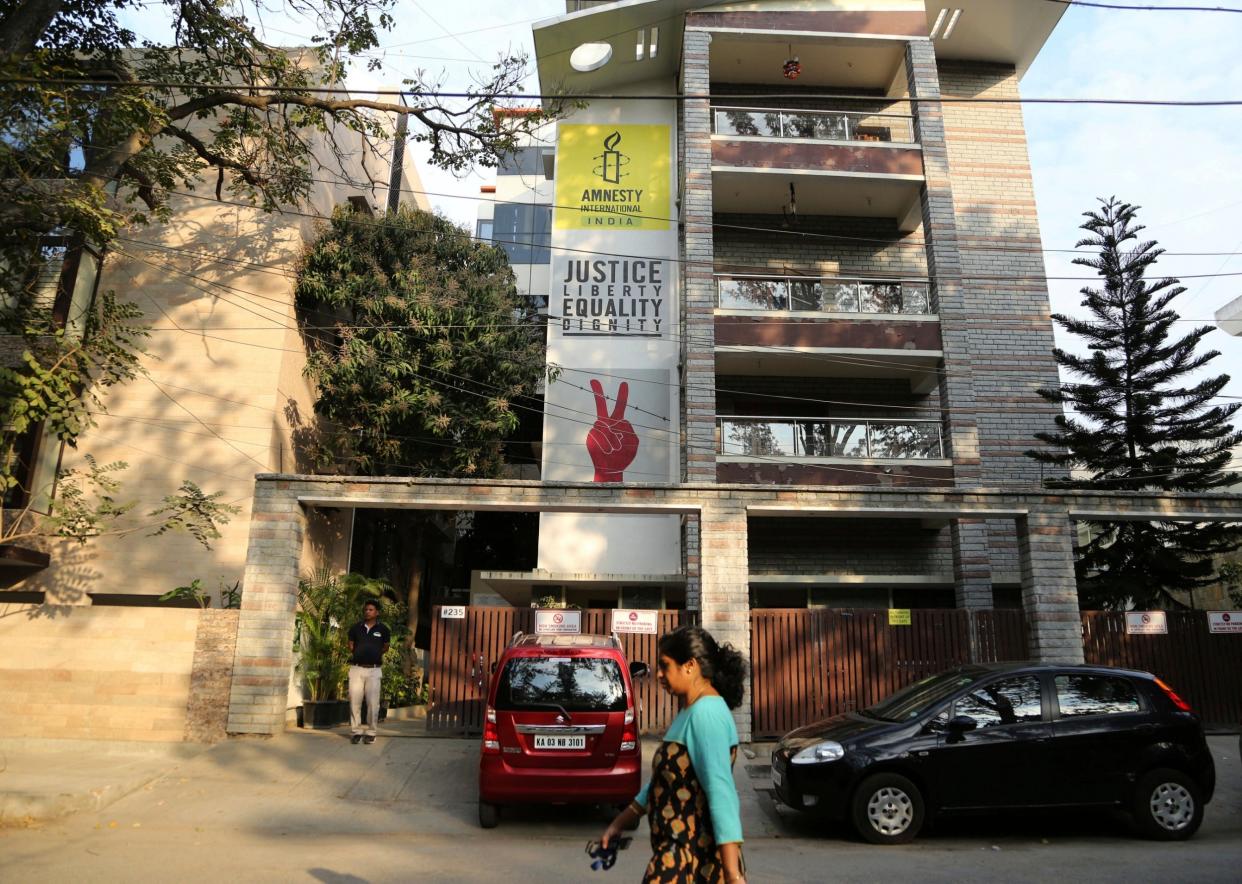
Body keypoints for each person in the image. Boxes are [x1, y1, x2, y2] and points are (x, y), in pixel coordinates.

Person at [600, 625, 748, 884]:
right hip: (676, 854)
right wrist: (620, 822)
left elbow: (721, 793)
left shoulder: (707, 715)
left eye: (665, 666)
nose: (658, 674)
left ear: (689, 666)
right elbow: (665, 778)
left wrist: (733, 874)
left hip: (693, 859)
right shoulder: (690, 711)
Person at [347, 600, 390, 745]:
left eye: (371, 610)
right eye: (366, 609)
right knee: (354, 702)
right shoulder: (355, 628)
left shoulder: (383, 629)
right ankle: (356, 731)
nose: (367, 612)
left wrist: (373, 654)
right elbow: (351, 645)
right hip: (356, 669)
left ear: (377, 612)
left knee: (373, 703)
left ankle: (371, 732)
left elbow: (385, 647)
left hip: (374, 670)